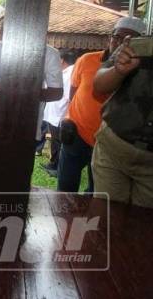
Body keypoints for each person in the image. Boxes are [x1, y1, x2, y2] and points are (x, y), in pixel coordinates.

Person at [56, 17, 142, 193]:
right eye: (117, 37)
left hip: (107, 143)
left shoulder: (140, 72)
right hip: (76, 134)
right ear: (109, 38)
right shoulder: (87, 59)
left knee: (97, 193)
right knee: (65, 186)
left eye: (130, 40)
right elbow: (73, 93)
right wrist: (69, 118)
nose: (120, 44)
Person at [0, 17, 63, 172]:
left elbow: (57, 93)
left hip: (28, 126)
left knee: (18, 175)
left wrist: (22, 93)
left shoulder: (51, 54)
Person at [92, 16, 153, 207]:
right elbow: (99, 85)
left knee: (142, 229)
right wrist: (119, 71)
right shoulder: (139, 45)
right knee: (106, 217)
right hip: (114, 148)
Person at [41, 49, 76, 177]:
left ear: (61, 60)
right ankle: (53, 163)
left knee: (59, 142)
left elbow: (69, 97)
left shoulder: (70, 73)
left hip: (60, 114)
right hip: (54, 113)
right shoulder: (63, 72)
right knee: (55, 141)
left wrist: (66, 116)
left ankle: (57, 168)